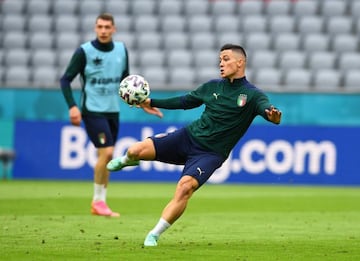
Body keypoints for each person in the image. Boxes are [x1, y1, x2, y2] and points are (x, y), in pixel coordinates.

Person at [107, 44, 282, 244]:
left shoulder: (253, 95)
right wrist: (151, 102)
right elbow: (184, 101)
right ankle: (128, 160)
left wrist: (273, 116)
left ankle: (153, 234)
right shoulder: (212, 87)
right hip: (187, 137)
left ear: (240, 62)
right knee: (135, 149)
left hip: (210, 154)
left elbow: (268, 111)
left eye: (226, 59)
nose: (221, 64)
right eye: (220, 60)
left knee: (184, 188)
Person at [60, 13, 162, 217]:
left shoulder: (121, 50)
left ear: (114, 29)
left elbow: (126, 83)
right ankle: (98, 201)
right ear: (95, 28)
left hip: (113, 112)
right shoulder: (84, 52)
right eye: (100, 27)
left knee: (107, 155)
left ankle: (100, 203)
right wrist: (72, 106)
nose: (104, 31)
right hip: (92, 110)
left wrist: (142, 103)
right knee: (106, 153)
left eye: (107, 27)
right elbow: (65, 79)